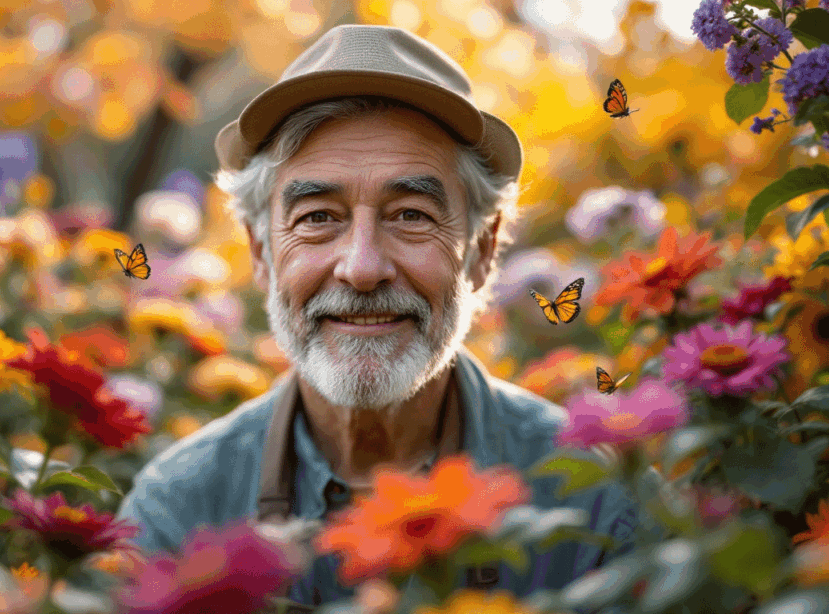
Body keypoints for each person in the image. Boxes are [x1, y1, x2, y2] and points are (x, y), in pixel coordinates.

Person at [118, 23, 638, 609]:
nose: (362, 268)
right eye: (317, 217)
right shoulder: (181, 509)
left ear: (482, 251)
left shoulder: (594, 498)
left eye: (411, 214)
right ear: (262, 252)